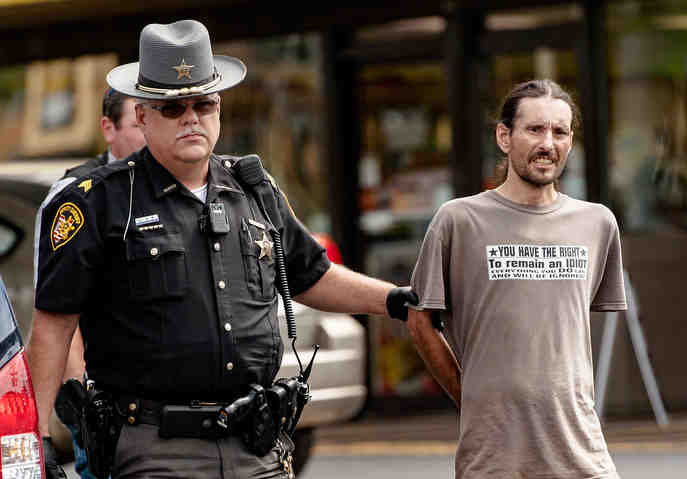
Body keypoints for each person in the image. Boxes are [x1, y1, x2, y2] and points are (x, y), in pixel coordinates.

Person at [28, 19, 416, 479]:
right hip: (155, 448)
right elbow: (53, 328)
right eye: (173, 108)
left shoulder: (253, 189)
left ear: (220, 110)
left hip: (256, 445)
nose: (191, 117)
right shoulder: (99, 201)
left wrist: (395, 300)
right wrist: (32, 442)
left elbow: (313, 276)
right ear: (143, 116)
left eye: (203, 103)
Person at [406, 79, 627, 479]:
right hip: (493, 459)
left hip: (583, 456)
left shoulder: (598, 223)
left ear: (571, 141)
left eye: (559, 132)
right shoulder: (458, 220)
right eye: (535, 129)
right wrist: (469, 395)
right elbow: (420, 321)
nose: (548, 143)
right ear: (504, 137)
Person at [35, 87, 146, 479]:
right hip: (104, 402)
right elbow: (59, 316)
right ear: (108, 128)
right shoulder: (78, 198)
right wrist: (82, 406)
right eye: (138, 122)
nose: (150, 131)